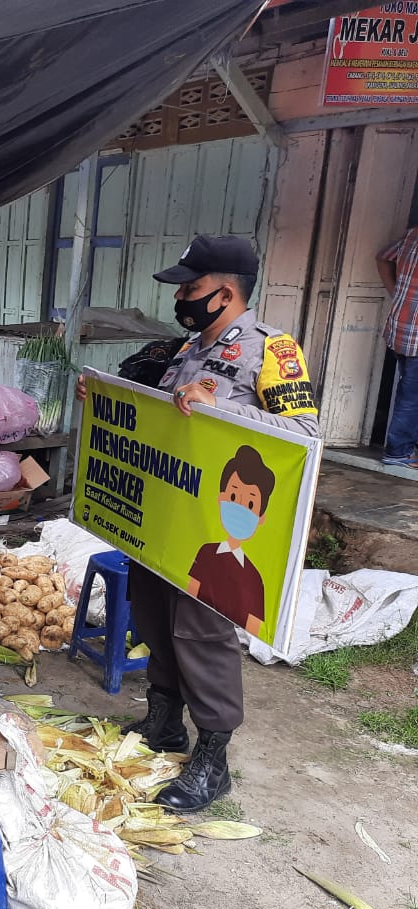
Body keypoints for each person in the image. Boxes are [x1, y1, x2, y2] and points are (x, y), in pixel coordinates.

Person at [77, 234, 318, 812]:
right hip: (166, 521)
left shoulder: (273, 351)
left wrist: (224, 410)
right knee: (156, 617)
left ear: (227, 291)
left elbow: (304, 438)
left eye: (191, 286)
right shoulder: (185, 349)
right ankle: (164, 723)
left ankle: (213, 755)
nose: (181, 296)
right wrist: (106, 397)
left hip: (218, 529)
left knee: (201, 634)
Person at [187, 445, 276, 636]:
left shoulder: (254, 578)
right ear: (221, 498)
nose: (240, 508)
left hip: (226, 640)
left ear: (261, 517)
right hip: (193, 630)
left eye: (250, 503)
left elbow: (253, 629)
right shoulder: (206, 553)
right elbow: (190, 592)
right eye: (234, 496)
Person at [376, 226, 418, 467]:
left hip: (400, 327)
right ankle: (398, 451)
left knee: (409, 390)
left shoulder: (413, 235)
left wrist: (397, 292)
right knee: (412, 395)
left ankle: (406, 446)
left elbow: (382, 257)